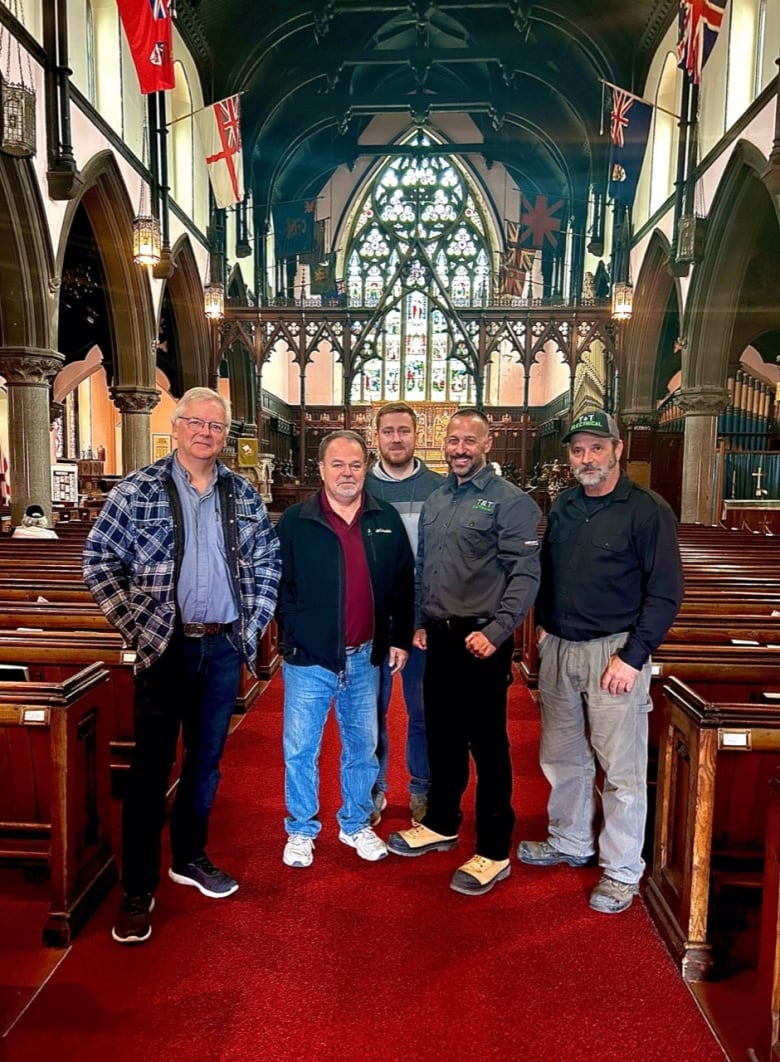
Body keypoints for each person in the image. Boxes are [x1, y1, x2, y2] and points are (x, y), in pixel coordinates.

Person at [83, 387, 281, 944]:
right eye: (195, 422)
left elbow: (268, 560)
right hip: (163, 649)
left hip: (219, 648)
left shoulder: (240, 493)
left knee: (206, 763)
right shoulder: (137, 488)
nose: (205, 433)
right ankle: (137, 889)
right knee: (150, 772)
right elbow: (98, 561)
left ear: (224, 435)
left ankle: (190, 856)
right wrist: (139, 628)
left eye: (215, 427)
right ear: (176, 427)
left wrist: (251, 624)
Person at [517, 410, 684, 914]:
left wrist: (632, 658)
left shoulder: (646, 509)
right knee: (563, 758)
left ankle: (621, 870)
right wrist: (543, 626)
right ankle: (570, 840)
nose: (585, 458)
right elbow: (549, 570)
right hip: (561, 650)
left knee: (621, 770)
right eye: (577, 450)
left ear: (616, 448)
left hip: (615, 653)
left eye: (595, 448)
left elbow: (666, 593)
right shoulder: (566, 504)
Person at [387, 408, 541, 896]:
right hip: (439, 635)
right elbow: (423, 567)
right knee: (442, 735)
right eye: (453, 441)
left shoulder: (511, 503)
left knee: (489, 746)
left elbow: (526, 574)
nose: (459, 449)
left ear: (487, 444)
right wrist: (418, 622)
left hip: (481, 640)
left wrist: (497, 632)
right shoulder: (437, 500)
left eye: (469, 441)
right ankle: (441, 821)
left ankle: (494, 849)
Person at [275, 429, 414, 869]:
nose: (347, 473)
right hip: (310, 660)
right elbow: (280, 588)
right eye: (337, 464)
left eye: (355, 464)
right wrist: (295, 635)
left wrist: (397, 637)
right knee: (301, 748)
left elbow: (403, 584)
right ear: (321, 469)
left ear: (365, 467)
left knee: (362, 746)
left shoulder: (384, 517)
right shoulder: (296, 522)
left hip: (365, 657)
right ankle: (300, 829)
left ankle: (354, 823)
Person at [364, 402, 444, 826]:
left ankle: (421, 790)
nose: (396, 438)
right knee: (369, 713)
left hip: (425, 623)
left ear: (418, 435)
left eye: (404, 431)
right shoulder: (359, 487)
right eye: (388, 431)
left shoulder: (440, 488)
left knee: (423, 713)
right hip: (374, 623)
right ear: (375, 435)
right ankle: (374, 790)